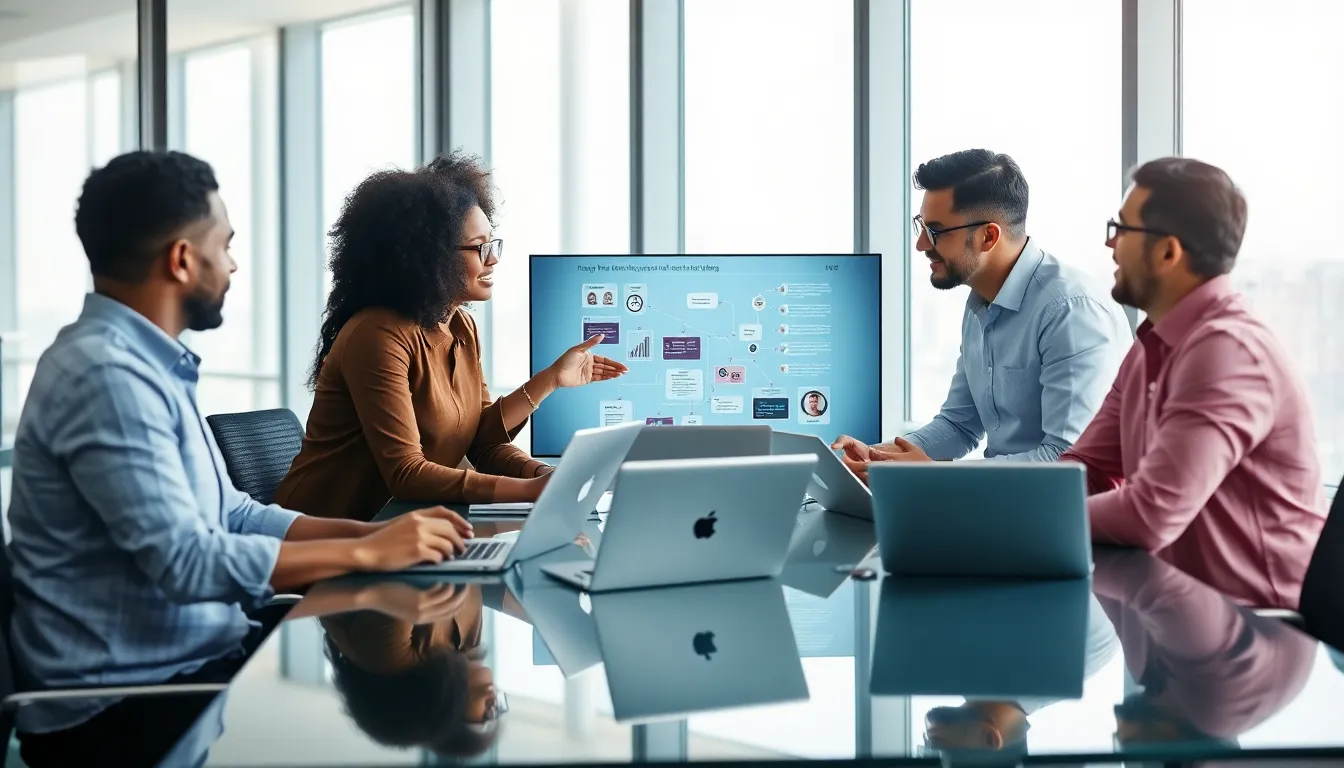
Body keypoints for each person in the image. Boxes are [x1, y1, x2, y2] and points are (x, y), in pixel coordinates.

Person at [5, 150, 476, 765]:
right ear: (181, 260)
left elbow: (235, 515)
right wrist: (366, 553)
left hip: (189, 664)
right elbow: (184, 561)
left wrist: (374, 537)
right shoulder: (106, 375)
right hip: (126, 707)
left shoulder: (148, 365)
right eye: (224, 245)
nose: (232, 263)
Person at [274, 152, 626, 520]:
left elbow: (482, 440)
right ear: (430, 255)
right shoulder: (378, 335)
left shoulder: (460, 326)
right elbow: (406, 474)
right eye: (479, 247)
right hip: (321, 536)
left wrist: (545, 470)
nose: (493, 259)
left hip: (396, 530)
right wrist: (528, 491)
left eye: (494, 244)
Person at [1060, 157, 1326, 609]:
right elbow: (1085, 470)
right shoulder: (1149, 347)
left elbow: (1150, 514)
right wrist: (985, 502)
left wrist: (1025, 518)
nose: (1110, 243)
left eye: (1122, 229)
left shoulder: (1227, 350)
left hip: (1261, 630)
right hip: (1180, 618)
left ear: (1168, 253)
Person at [833, 150, 1128, 475]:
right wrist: (875, 457)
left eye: (936, 231)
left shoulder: (1071, 311)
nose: (920, 244)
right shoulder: (980, 302)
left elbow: (1068, 461)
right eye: (921, 226)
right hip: (997, 507)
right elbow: (959, 424)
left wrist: (935, 478)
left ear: (988, 236)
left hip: (1060, 517)